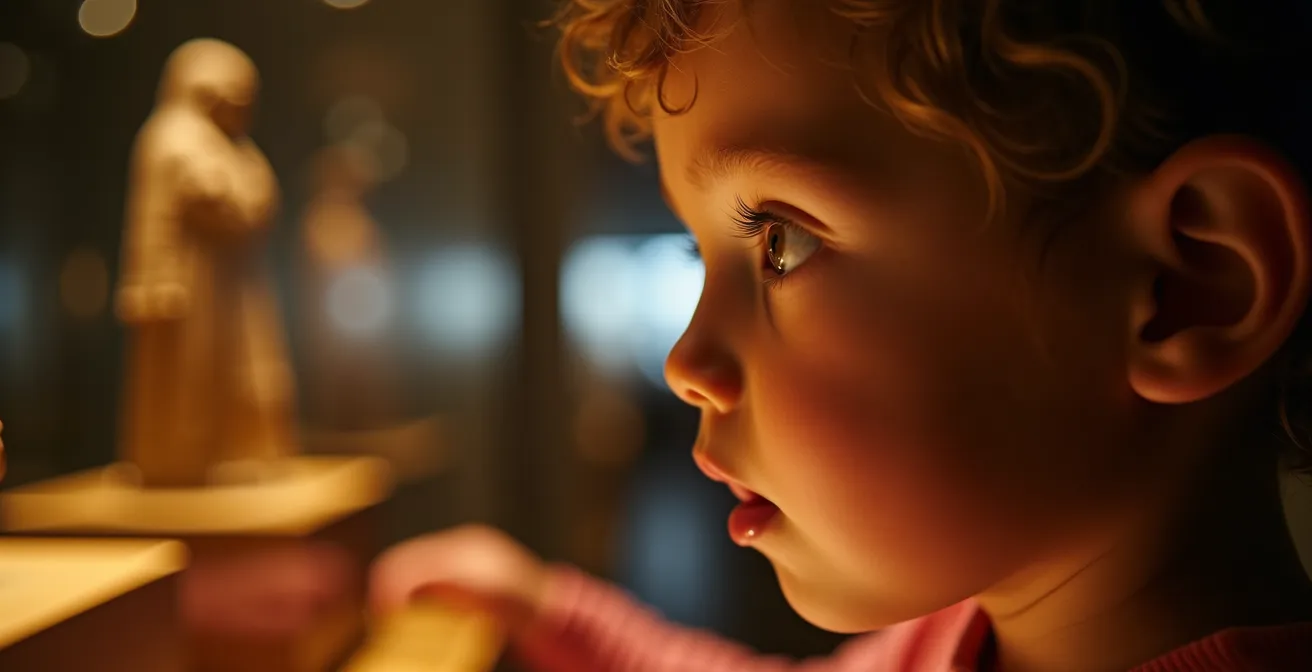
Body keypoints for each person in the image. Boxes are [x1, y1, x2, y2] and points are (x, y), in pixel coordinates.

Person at [370, 1, 1312, 669]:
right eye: (705, 261)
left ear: (1188, 287)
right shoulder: (958, 639)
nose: (684, 362)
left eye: (780, 242)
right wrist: (549, 609)